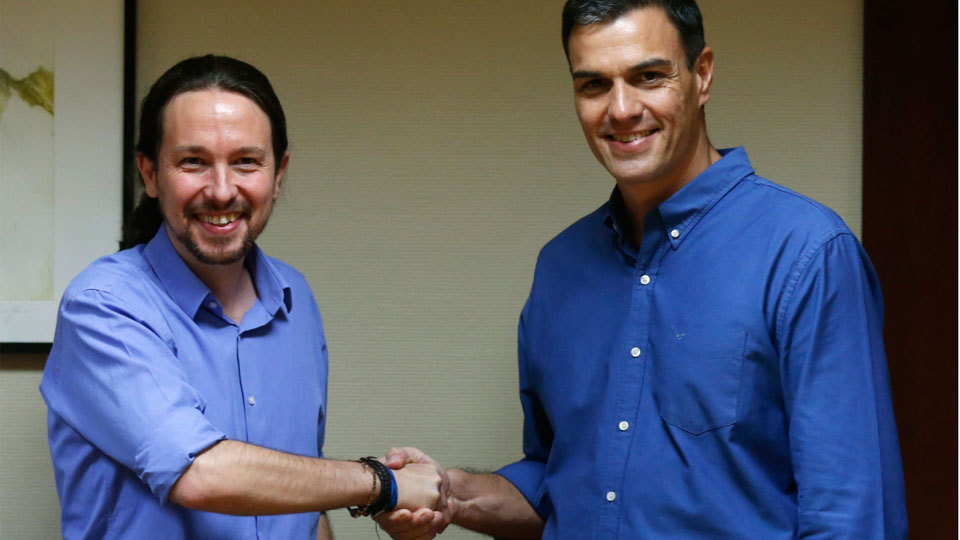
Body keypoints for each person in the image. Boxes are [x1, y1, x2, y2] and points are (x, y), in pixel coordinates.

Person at [378, 1, 908, 538]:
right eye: (594, 85)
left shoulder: (805, 252)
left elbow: (851, 516)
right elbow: (560, 484)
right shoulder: (560, 267)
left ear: (702, 76)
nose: (622, 109)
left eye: (649, 77)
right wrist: (451, 494)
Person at [39, 55, 444, 540]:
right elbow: (199, 471)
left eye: (246, 162)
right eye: (193, 162)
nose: (221, 190)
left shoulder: (295, 298)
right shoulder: (102, 305)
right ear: (149, 174)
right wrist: (381, 484)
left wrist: (383, 501)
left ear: (279, 173)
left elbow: (301, 494)